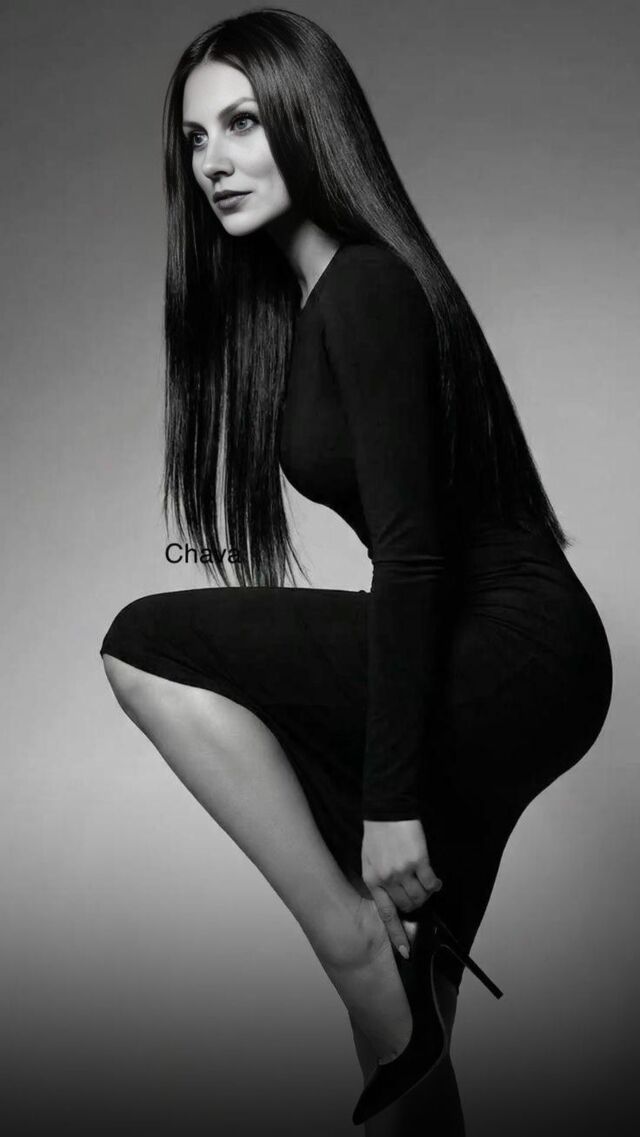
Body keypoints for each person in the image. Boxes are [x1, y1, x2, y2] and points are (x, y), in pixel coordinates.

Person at [99, 8, 613, 1133]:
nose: (213, 161)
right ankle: (388, 993)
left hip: (512, 652)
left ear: (309, 120)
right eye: (194, 139)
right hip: (509, 659)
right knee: (403, 1051)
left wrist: (387, 807)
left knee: (143, 643)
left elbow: (415, 554)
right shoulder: (318, 302)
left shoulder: (367, 285)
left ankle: (346, 939)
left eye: (243, 122)